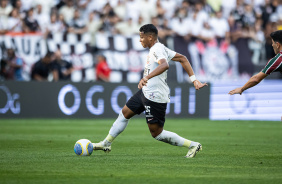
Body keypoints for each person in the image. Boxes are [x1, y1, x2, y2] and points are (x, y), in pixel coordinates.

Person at [92, 24, 207, 158]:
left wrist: (146, 77)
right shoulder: (160, 48)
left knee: (157, 134)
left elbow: (165, 65)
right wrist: (194, 80)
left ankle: (193, 145)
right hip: (145, 91)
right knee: (124, 113)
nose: (140, 40)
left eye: (142, 37)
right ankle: (106, 143)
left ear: (150, 37)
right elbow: (183, 59)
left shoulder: (157, 49)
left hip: (155, 96)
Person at [229, 30, 282, 95]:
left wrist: (242, 88)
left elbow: (256, 79)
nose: (272, 45)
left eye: (273, 43)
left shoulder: (278, 59)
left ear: (277, 45)